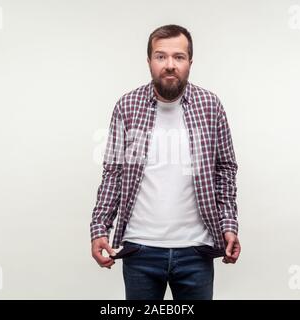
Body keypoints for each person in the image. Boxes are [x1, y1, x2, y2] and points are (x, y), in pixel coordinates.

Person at [90, 24, 241, 300]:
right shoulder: (127, 106)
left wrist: (229, 224)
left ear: (190, 62)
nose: (169, 65)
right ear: (149, 61)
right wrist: (100, 227)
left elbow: (225, 169)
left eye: (178, 57)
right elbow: (113, 172)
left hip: (196, 250)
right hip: (140, 250)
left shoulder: (210, 106)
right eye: (161, 56)